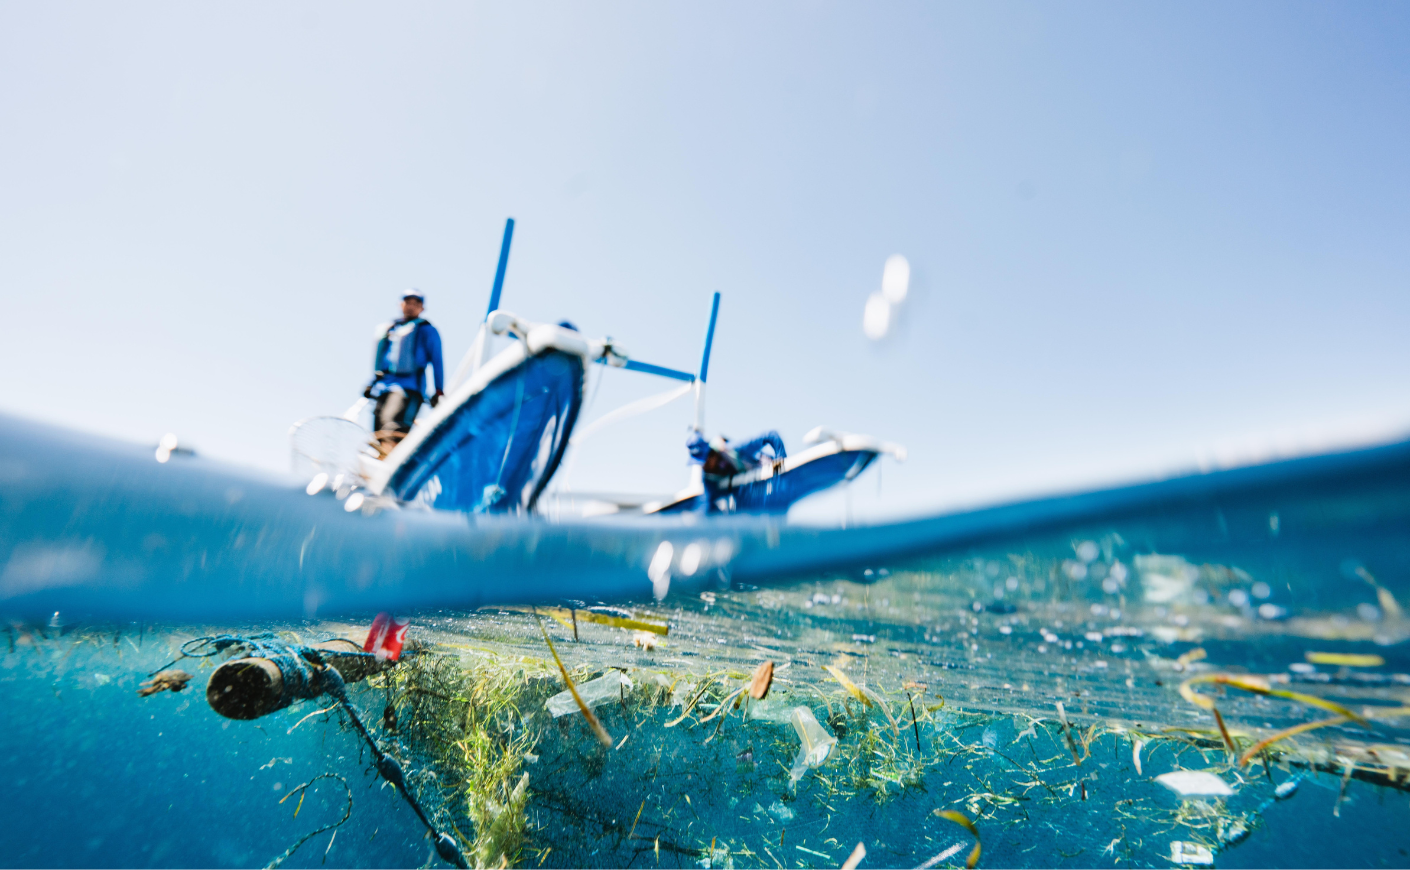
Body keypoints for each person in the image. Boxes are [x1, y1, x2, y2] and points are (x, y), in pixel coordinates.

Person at [365, 290, 445, 457]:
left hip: (408, 388)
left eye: (416, 304)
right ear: (400, 305)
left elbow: (437, 361)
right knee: (377, 430)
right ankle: (380, 465)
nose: (411, 307)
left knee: (392, 424)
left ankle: (394, 464)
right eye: (408, 302)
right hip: (383, 387)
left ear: (422, 308)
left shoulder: (426, 330)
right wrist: (372, 383)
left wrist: (438, 390)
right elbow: (384, 360)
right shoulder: (391, 329)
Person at [686, 428, 786, 512]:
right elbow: (706, 504)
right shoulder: (708, 478)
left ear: (712, 454)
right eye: (700, 464)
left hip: (769, 475)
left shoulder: (734, 449)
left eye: (705, 461)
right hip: (750, 495)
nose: (704, 467)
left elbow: (771, 435)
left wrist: (780, 465)